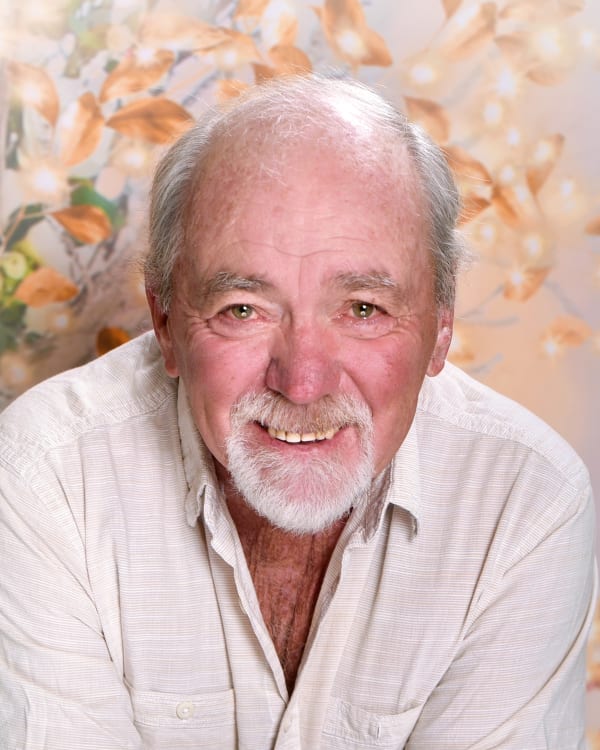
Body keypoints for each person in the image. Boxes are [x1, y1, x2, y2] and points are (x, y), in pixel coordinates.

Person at [0, 74, 596, 750]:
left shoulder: (526, 500)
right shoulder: (44, 476)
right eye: (243, 309)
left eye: (364, 309)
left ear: (441, 327)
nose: (304, 383)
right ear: (165, 323)